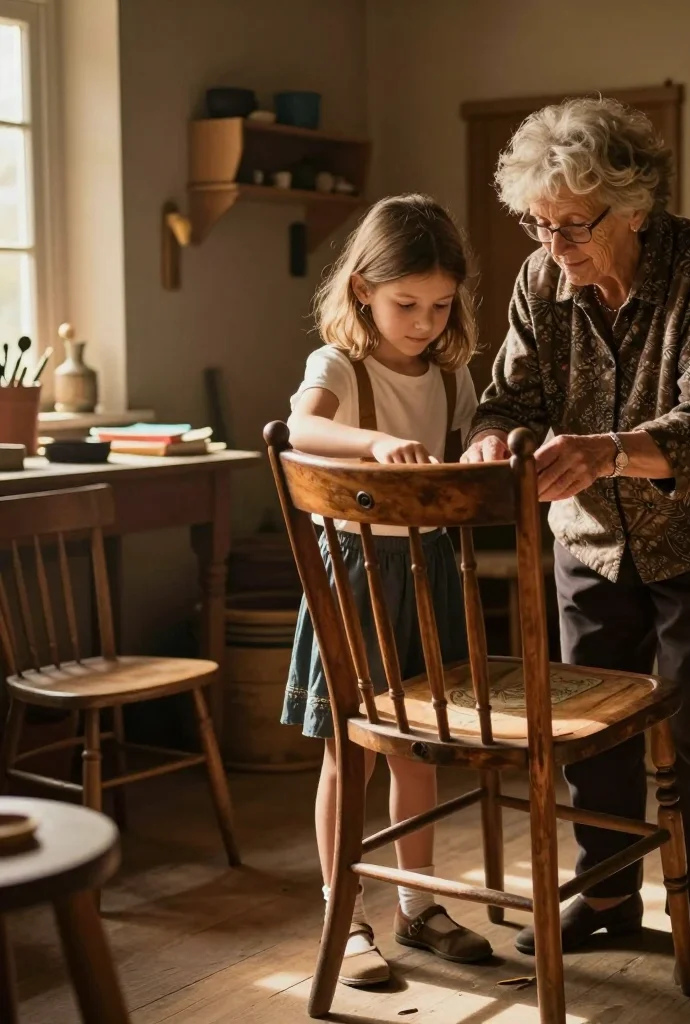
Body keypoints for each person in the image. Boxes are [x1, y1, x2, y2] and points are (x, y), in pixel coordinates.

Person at [463, 98, 690, 993]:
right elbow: (509, 397)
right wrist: (492, 439)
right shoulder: (540, 279)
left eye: (573, 224)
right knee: (591, 731)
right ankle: (607, 898)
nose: (554, 245)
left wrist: (606, 451)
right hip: (593, 537)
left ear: (634, 208)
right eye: (538, 223)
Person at [283, 194, 491, 987]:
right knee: (353, 751)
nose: (425, 322)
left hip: (429, 573)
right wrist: (372, 441)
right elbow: (300, 428)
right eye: (407, 304)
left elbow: (475, 432)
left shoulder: (451, 371)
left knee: (418, 745)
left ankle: (420, 907)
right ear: (364, 288)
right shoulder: (338, 366)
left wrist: (484, 449)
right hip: (356, 578)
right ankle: (349, 911)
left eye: (441, 306)